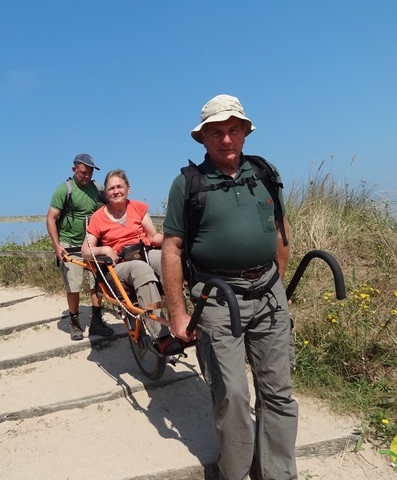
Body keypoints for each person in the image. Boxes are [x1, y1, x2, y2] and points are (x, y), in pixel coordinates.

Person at [161, 94, 297, 480]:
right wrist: (178, 313)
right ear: (202, 138)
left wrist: (277, 289)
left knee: (279, 393)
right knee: (233, 395)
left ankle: (278, 475)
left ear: (244, 133)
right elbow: (171, 250)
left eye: (233, 130)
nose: (226, 139)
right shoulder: (188, 184)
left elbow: (281, 232)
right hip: (217, 299)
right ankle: (234, 474)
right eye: (216, 132)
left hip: (269, 294)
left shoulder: (265, 173)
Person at [81, 169, 169, 340]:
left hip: (143, 251)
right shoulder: (98, 217)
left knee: (167, 259)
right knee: (140, 268)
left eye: (119, 186)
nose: (116, 191)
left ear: (128, 189)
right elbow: (86, 250)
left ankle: (181, 317)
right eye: (111, 188)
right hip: (120, 264)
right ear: (105, 193)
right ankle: (161, 335)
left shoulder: (138, 208)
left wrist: (175, 238)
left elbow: (153, 237)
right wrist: (105, 250)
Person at [46, 153, 113, 341]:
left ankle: (97, 321)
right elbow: (51, 218)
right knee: (74, 286)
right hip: (70, 244)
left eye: (90, 173)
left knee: (97, 283)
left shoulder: (97, 188)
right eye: (83, 172)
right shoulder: (64, 190)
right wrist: (57, 245)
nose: (87, 176)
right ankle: (75, 322)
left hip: (91, 244)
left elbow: (110, 209)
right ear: (74, 169)